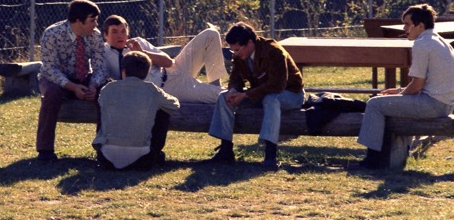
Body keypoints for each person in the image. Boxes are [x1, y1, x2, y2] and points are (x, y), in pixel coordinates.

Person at [357, 4, 454, 169]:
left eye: (408, 24)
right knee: (384, 101)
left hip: (433, 105)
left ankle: (372, 161)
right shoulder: (440, 41)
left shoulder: (422, 43)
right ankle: (387, 158)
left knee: (374, 104)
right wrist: (399, 91)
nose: (404, 28)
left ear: (420, 26)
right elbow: (424, 84)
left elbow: (416, 86)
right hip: (444, 104)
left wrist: (399, 96)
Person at [207, 22, 305, 168]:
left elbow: (277, 85)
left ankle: (270, 155)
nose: (235, 54)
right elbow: (235, 78)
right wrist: (233, 90)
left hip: (291, 95)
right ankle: (226, 150)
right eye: (232, 51)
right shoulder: (240, 54)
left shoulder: (274, 51)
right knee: (223, 97)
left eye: (238, 50)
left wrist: (245, 95)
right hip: (260, 95)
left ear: (250, 43)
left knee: (271, 99)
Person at [35, 0, 108, 162]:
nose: (96, 25)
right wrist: (72, 87)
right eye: (92, 20)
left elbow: (100, 67)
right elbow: (49, 68)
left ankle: (104, 147)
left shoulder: (95, 36)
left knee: (107, 90)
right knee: (51, 93)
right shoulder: (52, 34)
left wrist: (94, 85)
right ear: (78, 21)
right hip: (56, 79)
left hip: (84, 77)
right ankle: (45, 150)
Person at [102, 14, 227, 103]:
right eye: (114, 32)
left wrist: (142, 52)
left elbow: (168, 62)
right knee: (221, 95)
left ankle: (215, 83)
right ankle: (231, 93)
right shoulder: (104, 53)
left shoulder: (137, 42)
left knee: (211, 34)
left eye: (123, 31)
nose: (120, 35)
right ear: (105, 35)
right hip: (169, 88)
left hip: (175, 69)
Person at [93, 51, 180, 170]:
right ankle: (156, 150)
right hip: (142, 159)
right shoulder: (152, 90)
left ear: (123, 71)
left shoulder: (108, 88)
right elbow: (174, 105)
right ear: (147, 72)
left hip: (107, 158)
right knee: (164, 111)